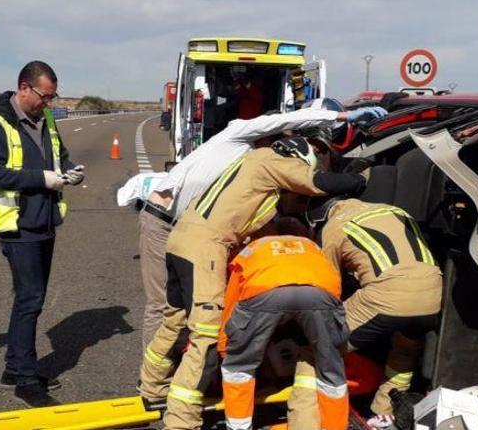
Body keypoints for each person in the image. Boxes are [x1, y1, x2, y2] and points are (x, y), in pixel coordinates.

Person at [117, 101, 386, 351]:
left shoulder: (254, 162)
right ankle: (153, 375)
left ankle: (177, 365)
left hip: (194, 232)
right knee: (163, 304)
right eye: (280, 136)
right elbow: (291, 130)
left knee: (194, 306)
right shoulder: (237, 136)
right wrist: (341, 116)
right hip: (163, 222)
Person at [143, 137, 366, 430]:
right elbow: (318, 182)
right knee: (207, 335)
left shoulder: (250, 165)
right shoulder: (271, 161)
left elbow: (254, 222)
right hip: (207, 247)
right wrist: (359, 181)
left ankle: (152, 387)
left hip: (183, 238)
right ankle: (182, 422)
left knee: (176, 321)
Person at [0, 61, 84, 404]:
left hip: (45, 219)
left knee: (30, 297)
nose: (47, 103)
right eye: (43, 96)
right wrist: (41, 179)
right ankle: (24, 378)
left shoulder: (46, 119)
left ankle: (15, 365)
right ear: (24, 87)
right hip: (18, 224)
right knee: (30, 299)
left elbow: (59, 156)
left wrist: (69, 171)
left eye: (52, 97)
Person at [287, 198, 443, 430]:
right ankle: (384, 417)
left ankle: (304, 425)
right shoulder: (396, 209)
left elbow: (327, 289)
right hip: (432, 296)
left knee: (314, 352)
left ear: (316, 220)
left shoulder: (333, 227)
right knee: (403, 353)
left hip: (386, 295)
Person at [219, 235, 349, 430]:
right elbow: (333, 282)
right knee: (331, 368)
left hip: (264, 289)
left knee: (239, 368)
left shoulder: (251, 250)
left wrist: (226, 348)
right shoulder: (310, 245)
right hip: (319, 292)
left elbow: (233, 300)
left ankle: (238, 427)